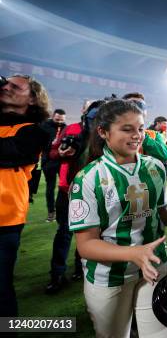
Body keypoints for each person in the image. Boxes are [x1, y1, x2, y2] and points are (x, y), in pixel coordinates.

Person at [69, 99, 167, 338]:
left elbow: (160, 211)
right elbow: (86, 245)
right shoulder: (88, 178)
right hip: (109, 276)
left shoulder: (154, 167)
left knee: (160, 335)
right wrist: (134, 253)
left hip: (154, 266)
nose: (137, 135)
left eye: (141, 128)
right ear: (103, 132)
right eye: (127, 129)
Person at [0, 74, 51, 316]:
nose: (6, 88)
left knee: (1, 289)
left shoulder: (35, 132)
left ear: (32, 99)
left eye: (14, 86)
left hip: (5, 220)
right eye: (5, 84)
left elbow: (7, 152)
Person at [45, 99, 105, 293]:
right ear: (85, 112)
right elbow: (53, 152)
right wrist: (62, 153)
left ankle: (82, 268)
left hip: (95, 191)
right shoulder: (71, 129)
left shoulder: (107, 133)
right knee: (64, 232)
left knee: (91, 232)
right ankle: (57, 274)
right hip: (68, 190)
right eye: (92, 114)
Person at [122, 93, 167, 164]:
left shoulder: (153, 135)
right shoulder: (112, 133)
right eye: (131, 105)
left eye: (141, 106)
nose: (137, 110)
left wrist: (143, 137)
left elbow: (165, 156)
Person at [40, 108, 67, 222]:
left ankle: (64, 212)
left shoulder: (66, 127)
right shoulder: (44, 126)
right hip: (49, 162)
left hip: (62, 161)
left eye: (61, 120)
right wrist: (51, 143)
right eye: (57, 119)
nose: (59, 122)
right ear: (53, 116)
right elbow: (39, 142)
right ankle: (51, 213)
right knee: (50, 188)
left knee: (65, 187)